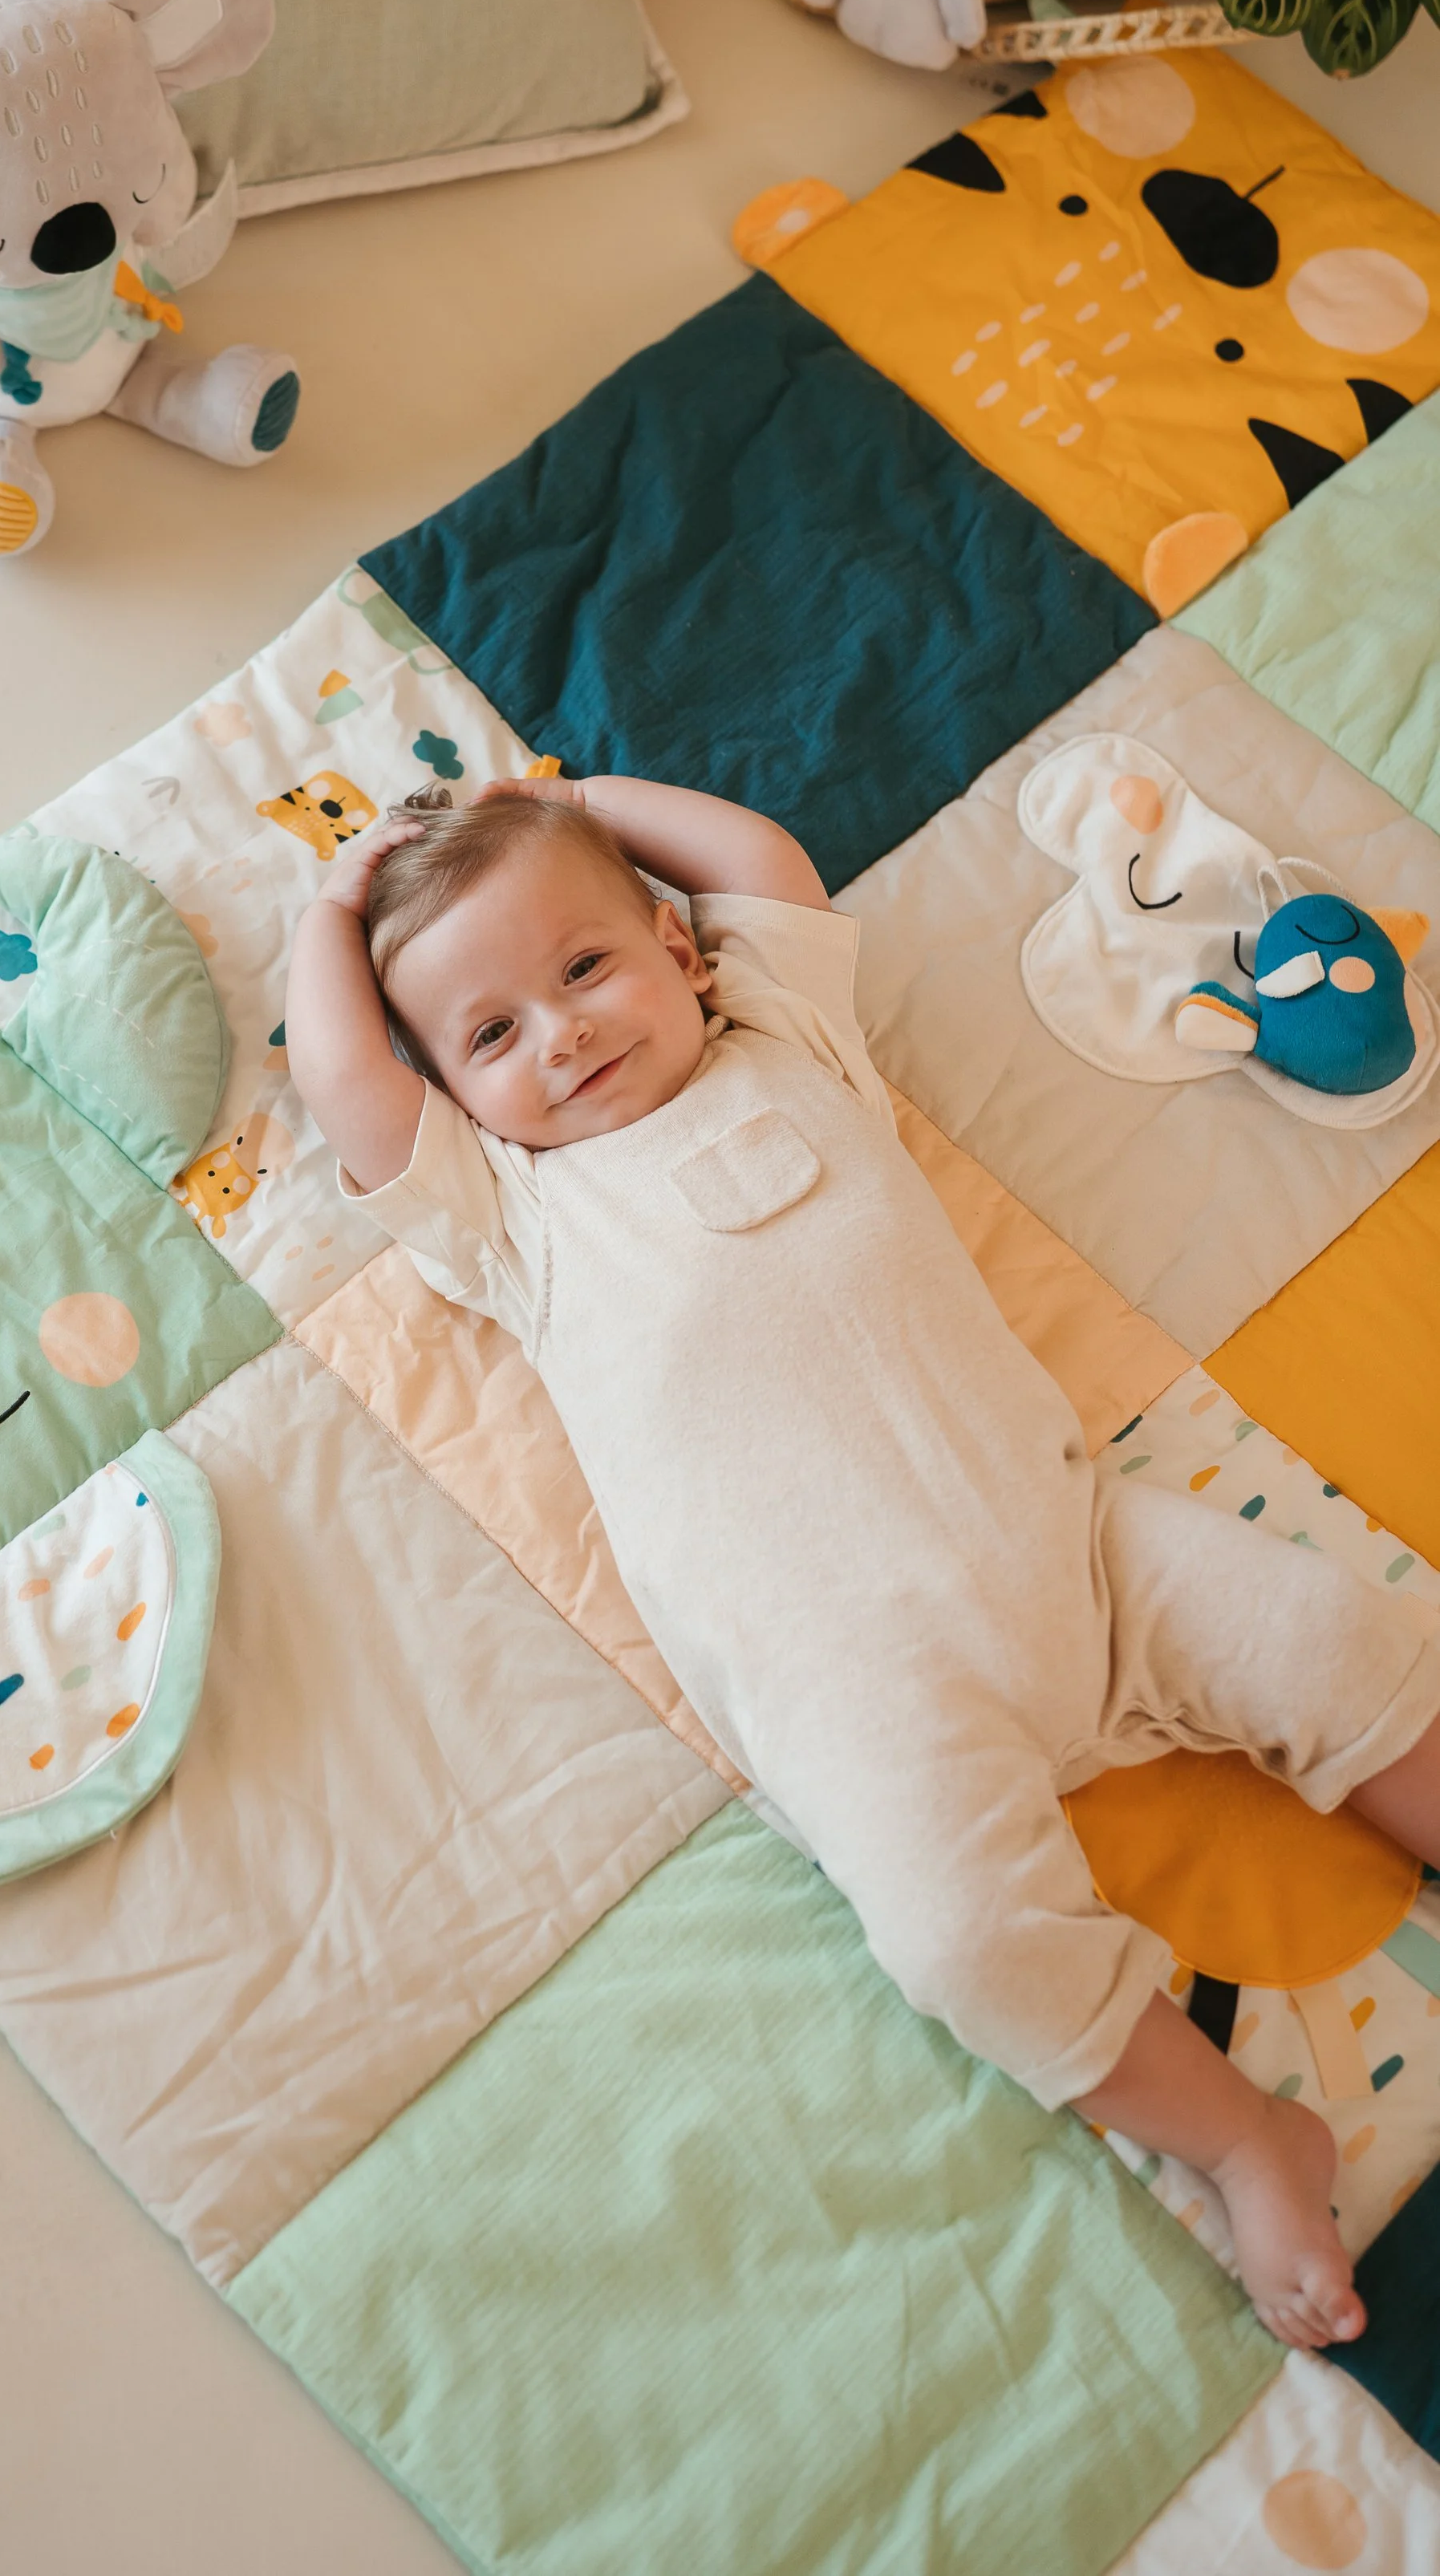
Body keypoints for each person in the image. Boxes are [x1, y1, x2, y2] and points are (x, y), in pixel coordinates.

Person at [282, 769, 1440, 2351]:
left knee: (1327, 1638)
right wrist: (329, 911)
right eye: (488, 1037)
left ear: (683, 955)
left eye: (582, 968)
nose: (555, 1034)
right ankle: (1242, 2136)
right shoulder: (516, 1227)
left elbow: (759, 858)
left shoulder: (788, 1044)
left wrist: (554, 800)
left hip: (1075, 1551)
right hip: (860, 1695)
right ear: (462, 1099)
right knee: (959, 1941)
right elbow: (347, 1083)